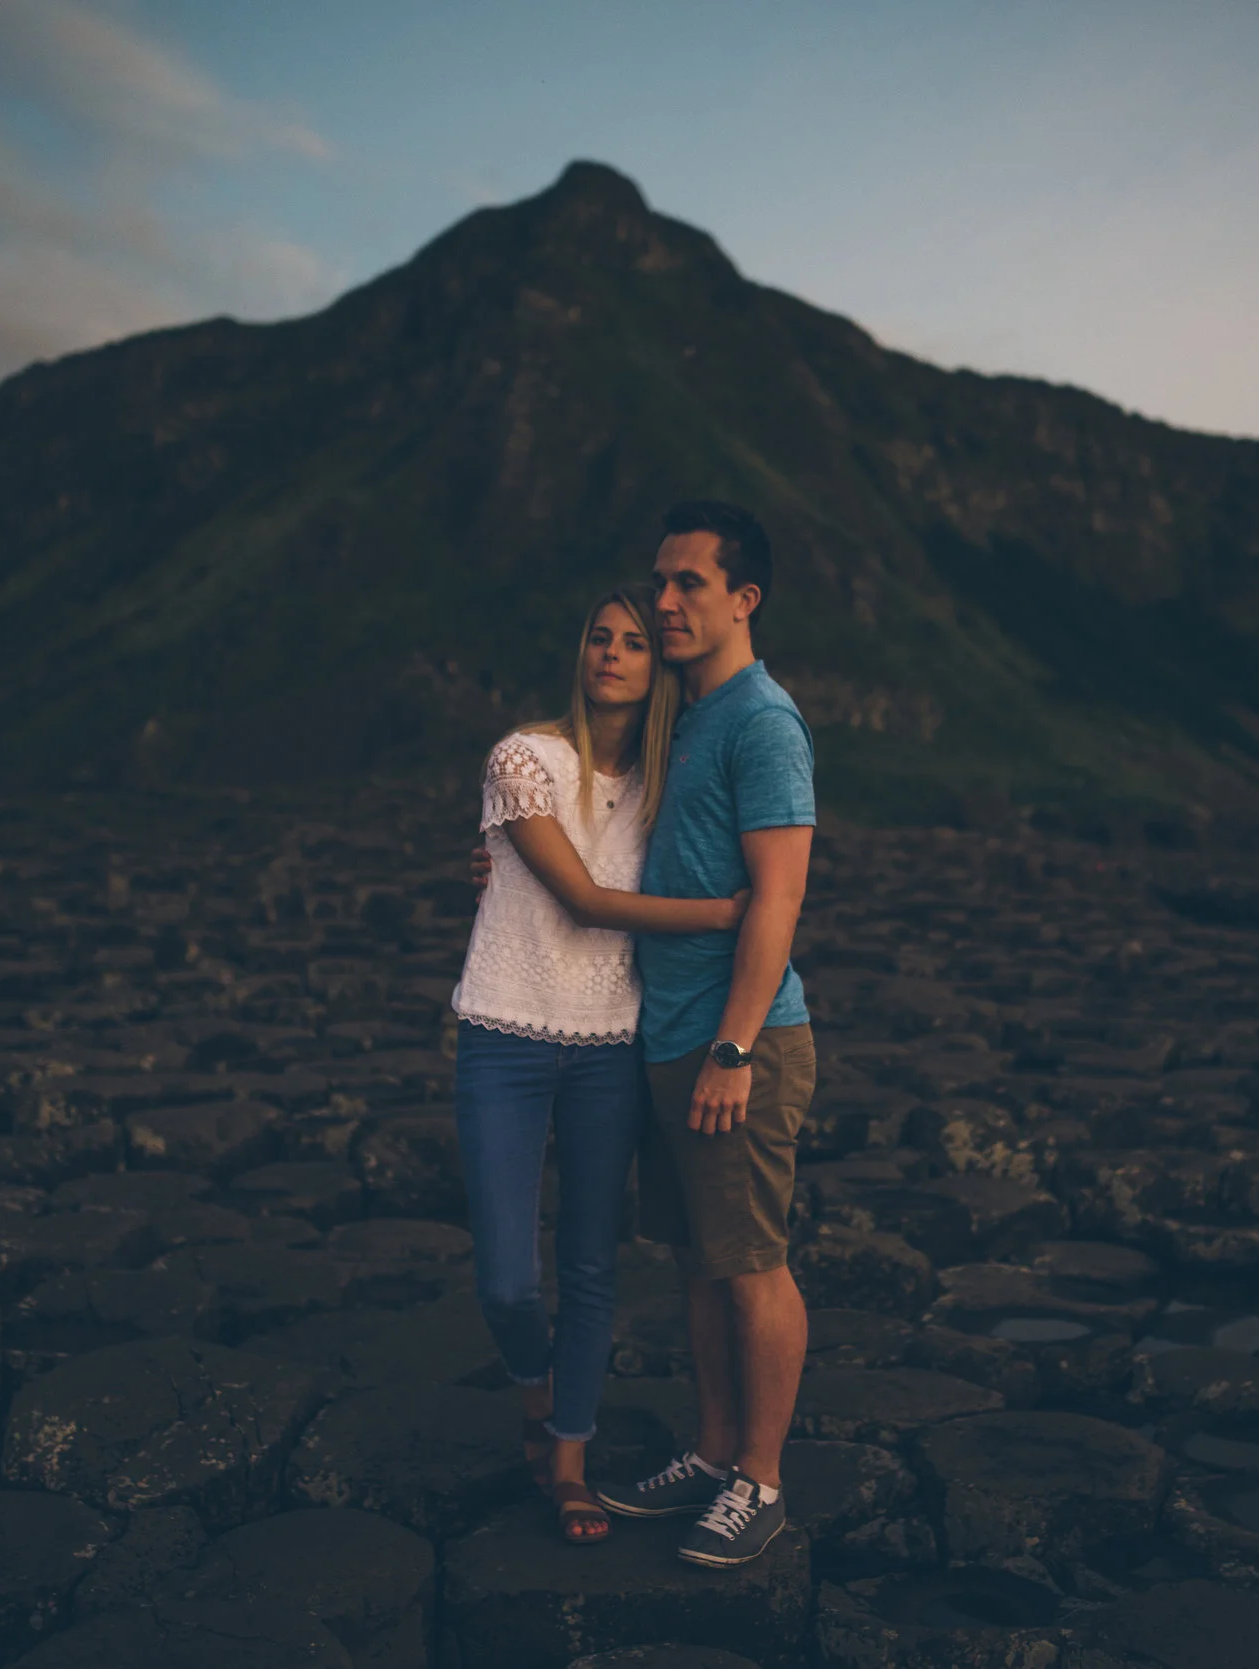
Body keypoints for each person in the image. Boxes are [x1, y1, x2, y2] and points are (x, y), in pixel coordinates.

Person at [449, 586, 747, 1546]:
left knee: (588, 1266)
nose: (613, 652)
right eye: (598, 637)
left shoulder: (666, 790)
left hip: (611, 1044)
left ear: (656, 669)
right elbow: (577, 898)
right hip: (503, 1033)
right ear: (578, 652)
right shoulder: (523, 758)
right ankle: (539, 1401)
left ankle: (570, 1465)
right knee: (506, 1280)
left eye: (632, 642)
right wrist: (721, 916)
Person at [594, 501, 818, 1569]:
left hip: (742, 1042)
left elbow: (777, 897)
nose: (665, 601)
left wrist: (733, 1047)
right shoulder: (685, 718)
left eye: (688, 583)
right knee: (697, 1261)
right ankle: (715, 1448)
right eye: (659, 581)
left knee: (750, 1265)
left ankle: (762, 1482)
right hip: (669, 1033)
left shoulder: (762, 722)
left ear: (744, 599)